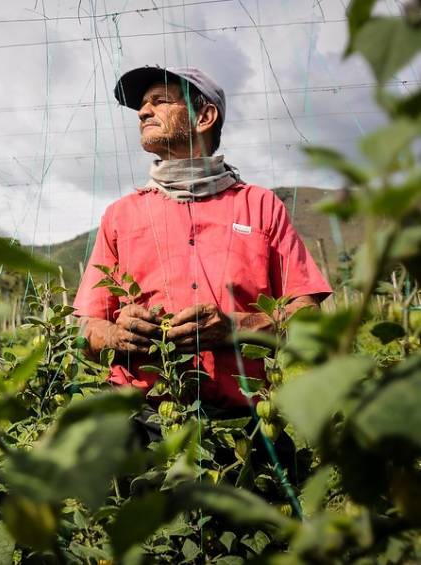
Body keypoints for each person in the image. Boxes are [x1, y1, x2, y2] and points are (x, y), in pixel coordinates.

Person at [72, 66, 332, 432]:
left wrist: (234, 327)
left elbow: (306, 316)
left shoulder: (260, 206)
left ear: (204, 116)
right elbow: (84, 327)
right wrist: (115, 335)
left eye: (159, 101)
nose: (144, 112)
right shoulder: (120, 216)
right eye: (142, 106)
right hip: (141, 420)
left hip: (243, 424)